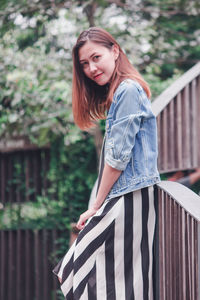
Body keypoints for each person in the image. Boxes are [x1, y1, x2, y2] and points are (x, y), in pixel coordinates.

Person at [53, 27, 160, 300]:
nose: (91, 68)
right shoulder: (122, 93)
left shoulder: (127, 90)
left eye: (96, 57)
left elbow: (117, 159)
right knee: (121, 284)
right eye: (84, 64)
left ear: (115, 50)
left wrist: (95, 206)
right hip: (128, 199)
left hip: (128, 199)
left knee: (80, 272)